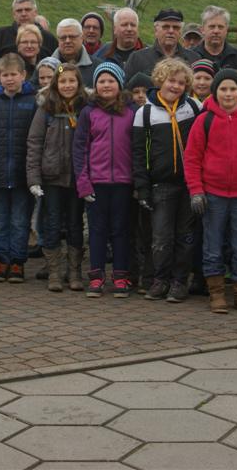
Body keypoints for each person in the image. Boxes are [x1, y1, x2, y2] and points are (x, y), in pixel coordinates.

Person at [184, 69, 237, 314]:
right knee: (212, 246)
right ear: (215, 92)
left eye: (233, 89)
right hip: (213, 194)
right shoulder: (204, 120)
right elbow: (192, 158)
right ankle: (216, 292)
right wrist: (196, 191)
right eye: (223, 89)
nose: (228, 94)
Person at [132, 58, 201, 302]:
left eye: (182, 83)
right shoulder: (146, 112)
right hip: (160, 184)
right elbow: (138, 153)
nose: (176, 86)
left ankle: (180, 281)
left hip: (189, 183)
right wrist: (142, 187)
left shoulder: (193, 107)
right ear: (161, 80)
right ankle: (160, 279)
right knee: (161, 237)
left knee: (185, 235)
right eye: (172, 81)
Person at [73, 61, 136, 298]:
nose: (106, 85)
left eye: (111, 81)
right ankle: (96, 276)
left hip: (123, 182)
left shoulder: (131, 112)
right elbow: (80, 149)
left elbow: (139, 147)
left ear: (119, 84)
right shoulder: (88, 113)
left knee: (121, 230)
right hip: (96, 182)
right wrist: (83, 182)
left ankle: (120, 276)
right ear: (95, 85)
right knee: (97, 231)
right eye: (102, 81)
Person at [0, 53, 39, 283]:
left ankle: (17, 262)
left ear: (23, 75)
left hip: (23, 176)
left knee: (19, 221)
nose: (10, 79)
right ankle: (1, 259)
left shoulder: (33, 102)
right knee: (0, 220)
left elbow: (36, 141)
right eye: (5, 75)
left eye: (14, 74)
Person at [27, 62, 88, 292]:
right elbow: (34, 143)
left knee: (74, 224)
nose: (67, 85)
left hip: (76, 178)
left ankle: (74, 271)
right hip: (51, 178)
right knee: (51, 223)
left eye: (72, 81)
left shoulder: (85, 109)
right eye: (63, 81)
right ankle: (54, 270)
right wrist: (33, 178)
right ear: (55, 84)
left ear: (79, 83)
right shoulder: (46, 109)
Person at [0, 0, 57, 90]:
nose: (23, 14)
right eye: (19, 11)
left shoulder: (48, 38)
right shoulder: (0, 36)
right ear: (13, 14)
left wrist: (59, 73)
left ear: (35, 13)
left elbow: (61, 67)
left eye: (27, 10)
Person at [125, 8, 199, 78]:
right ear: (156, 30)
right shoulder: (137, 58)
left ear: (180, 32)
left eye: (176, 27)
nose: (171, 31)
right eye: (166, 27)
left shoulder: (193, 59)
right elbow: (127, 89)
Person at [51, 19, 98, 87]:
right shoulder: (47, 67)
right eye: (63, 37)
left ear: (81, 38)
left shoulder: (96, 67)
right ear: (58, 40)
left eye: (72, 37)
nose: (67, 41)